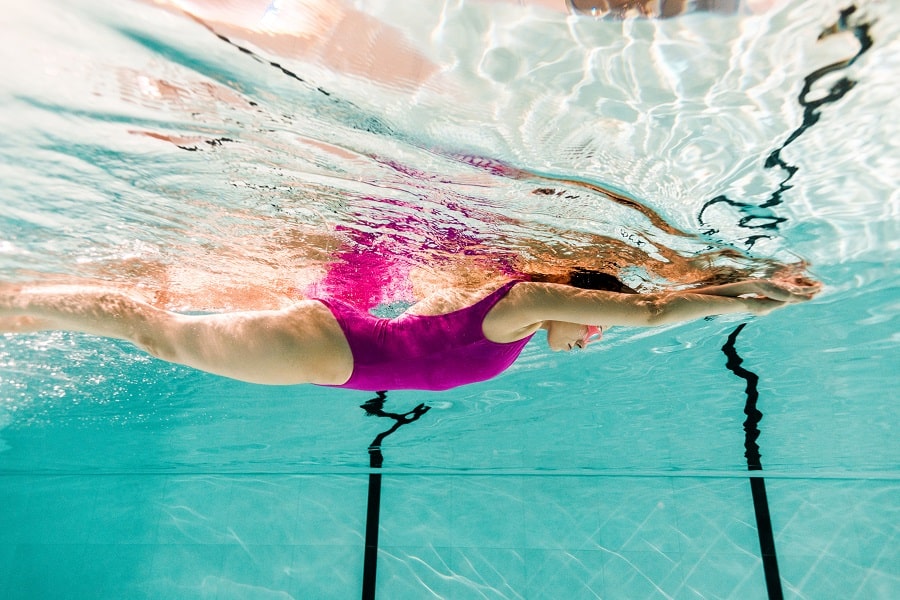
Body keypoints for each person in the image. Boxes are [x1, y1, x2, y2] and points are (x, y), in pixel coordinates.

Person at [1, 273, 818, 391]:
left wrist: (727, 289)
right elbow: (645, 308)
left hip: (331, 346)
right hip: (330, 349)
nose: (599, 334)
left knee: (162, 333)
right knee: (161, 334)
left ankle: (29, 306)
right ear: (583, 303)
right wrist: (748, 297)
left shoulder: (519, 321)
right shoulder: (522, 304)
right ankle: (23, 299)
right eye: (596, 322)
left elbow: (639, 306)